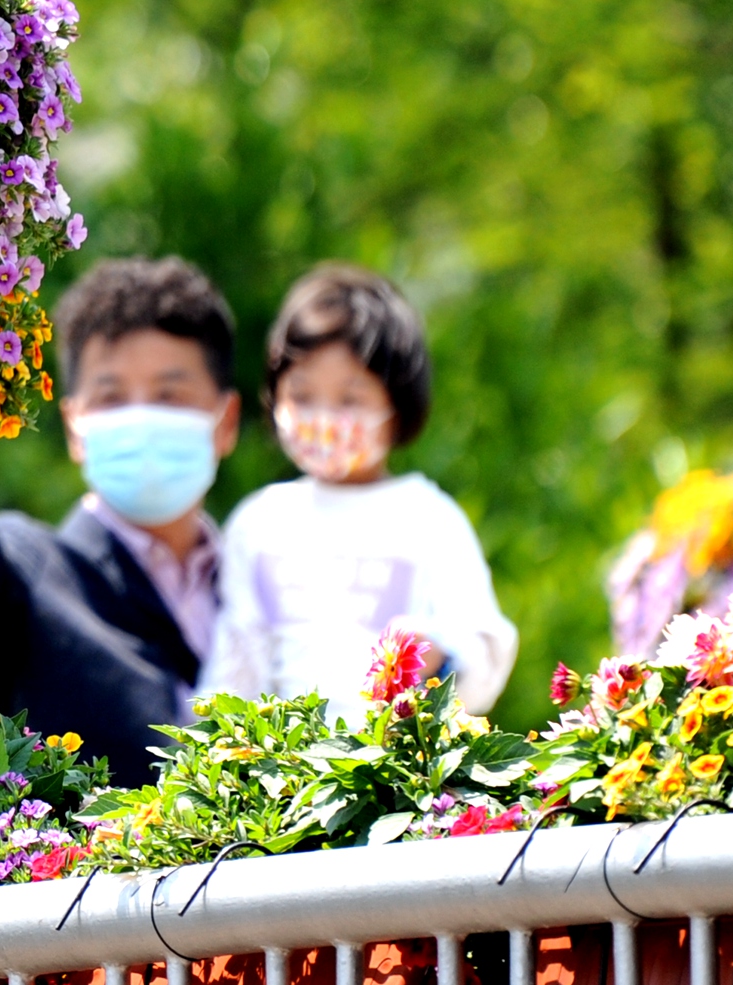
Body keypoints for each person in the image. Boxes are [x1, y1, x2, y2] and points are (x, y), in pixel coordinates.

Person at [0, 256, 239, 783]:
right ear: (74, 426)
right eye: (111, 397)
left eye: (169, 395)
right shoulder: (26, 579)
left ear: (226, 422)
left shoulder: (270, 578)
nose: (139, 418)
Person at [199, 262, 516, 712]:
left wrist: (439, 653)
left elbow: (486, 644)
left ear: (399, 404)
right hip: (282, 774)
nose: (324, 418)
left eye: (350, 398)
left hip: (396, 771)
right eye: (303, 396)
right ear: (275, 397)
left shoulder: (428, 518)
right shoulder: (259, 523)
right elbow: (235, 660)